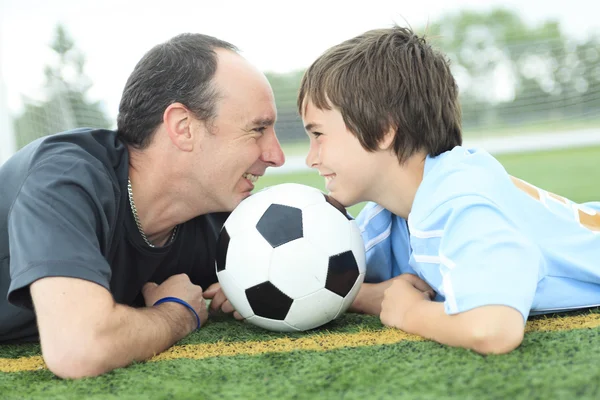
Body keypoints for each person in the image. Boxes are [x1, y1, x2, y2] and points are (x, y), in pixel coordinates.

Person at [296, 25, 600, 354]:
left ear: (384, 129)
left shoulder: (459, 203)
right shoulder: (389, 215)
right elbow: (317, 273)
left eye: (318, 135)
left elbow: (493, 329)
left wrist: (411, 313)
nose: (311, 158)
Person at [0, 33, 285, 378]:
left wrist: (265, 273)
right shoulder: (65, 178)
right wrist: (178, 313)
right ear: (183, 128)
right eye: (258, 129)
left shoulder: (220, 221)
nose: (276, 156)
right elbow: (79, 348)